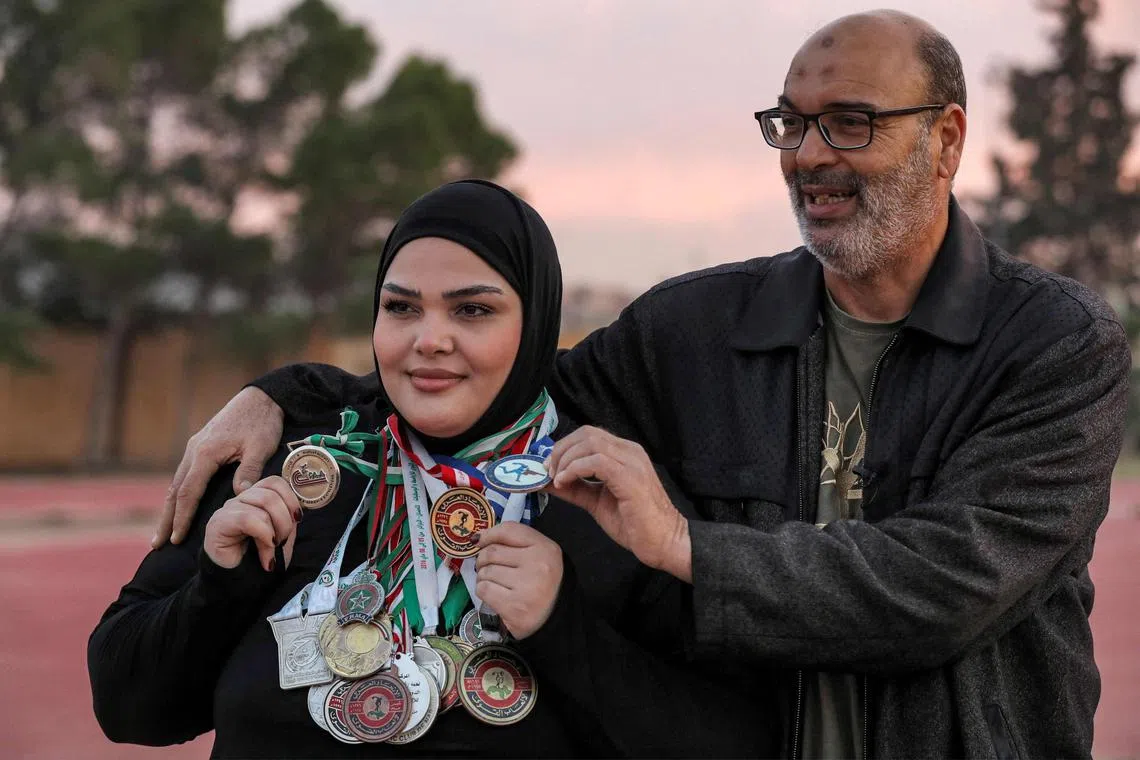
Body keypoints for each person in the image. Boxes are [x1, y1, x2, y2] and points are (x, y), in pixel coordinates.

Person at [153, 11, 1131, 759]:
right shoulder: (693, 328)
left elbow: (940, 584)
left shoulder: (1056, 344)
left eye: (851, 123)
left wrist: (683, 547)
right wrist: (291, 395)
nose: (810, 155)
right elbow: (494, 398)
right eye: (790, 123)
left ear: (947, 139)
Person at [89, 180, 777, 757]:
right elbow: (127, 708)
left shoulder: (609, 500)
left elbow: (736, 740)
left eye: (473, 310)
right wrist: (218, 590)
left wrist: (565, 631)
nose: (429, 340)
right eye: (401, 307)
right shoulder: (287, 463)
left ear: (534, 324)